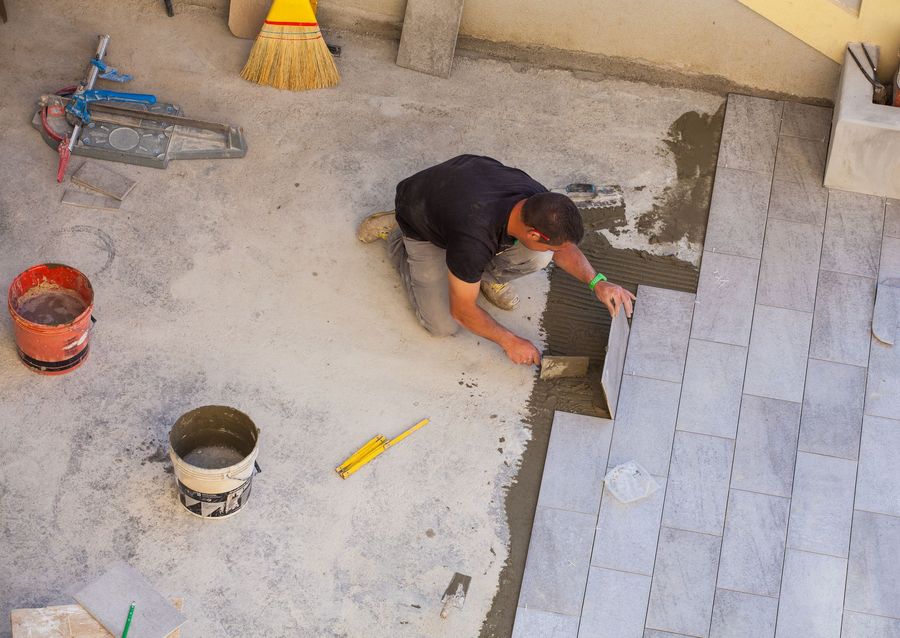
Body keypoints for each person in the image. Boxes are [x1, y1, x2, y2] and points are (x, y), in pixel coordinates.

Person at [358, 155, 635, 365]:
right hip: (420, 216)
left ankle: (479, 277)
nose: (559, 250)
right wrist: (510, 341)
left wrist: (597, 282)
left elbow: (561, 247)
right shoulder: (473, 238)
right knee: (442, 325)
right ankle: (396, 233)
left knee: (540, 257)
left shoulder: (536, 199)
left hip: (457, 197)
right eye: (552, 243)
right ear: (534, 232)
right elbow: (462, 311)